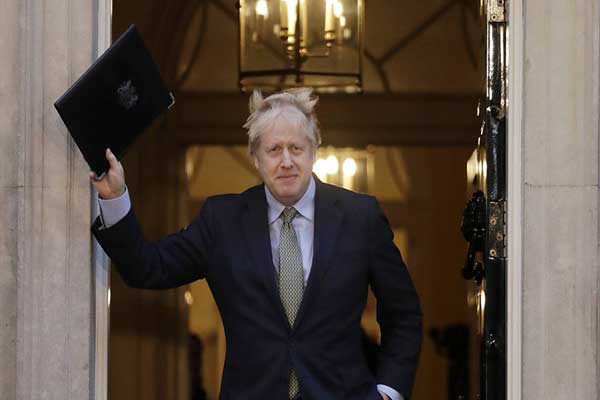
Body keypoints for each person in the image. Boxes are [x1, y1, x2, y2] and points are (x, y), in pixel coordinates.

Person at [90, 88, 422, 400]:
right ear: (255, 157)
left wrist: (389, 391)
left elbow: (403, 313)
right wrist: (115, 197)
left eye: (296, 149)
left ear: (314, 151)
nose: (286, 161)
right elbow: (147, 267)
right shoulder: (222, 220)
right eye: (274, 150)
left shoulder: (360, 217)